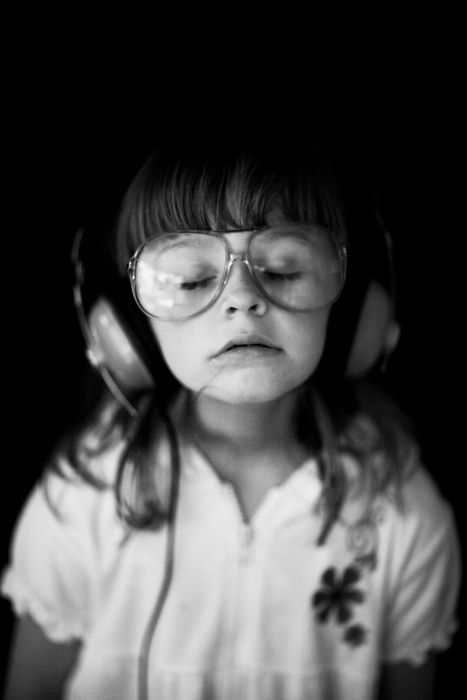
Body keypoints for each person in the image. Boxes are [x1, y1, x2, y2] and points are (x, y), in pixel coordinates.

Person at [1, 116, 461, 700]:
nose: (242, 300)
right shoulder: (85, 496)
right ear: (129, 330)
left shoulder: (401, 512)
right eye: (192, 279)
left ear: (348, 309)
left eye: (284, 268)